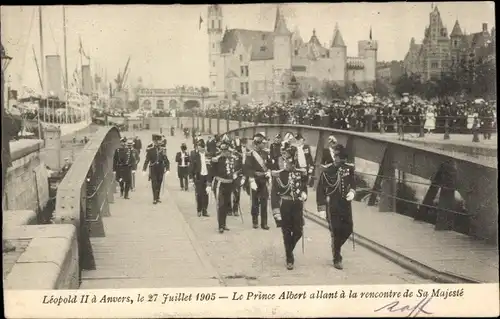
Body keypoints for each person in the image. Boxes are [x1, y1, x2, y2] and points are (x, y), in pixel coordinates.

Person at [316, 144, 356, 270]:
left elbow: (353, 182)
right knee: (336, 230)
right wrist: (321, 208)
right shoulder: (328, 171)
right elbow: (320, 190)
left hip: (345, 203)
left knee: (348, 228)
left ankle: (336, 246)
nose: (340, 160)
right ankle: (337, 257)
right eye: (338, 157)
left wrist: (353, 192)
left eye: (342, 157)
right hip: (332, 204)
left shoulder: (349, 169)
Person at [271, 143, 308, 270]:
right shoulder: (279, 175)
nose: (289, 164)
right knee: (286, 233)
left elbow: (304, 187)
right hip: (285, 206)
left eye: (291, 162)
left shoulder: (301, 173)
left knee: (298, 231)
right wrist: (276, 212)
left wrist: (304, 194)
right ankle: (289, 257)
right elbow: (274, 195)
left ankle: (289, 250)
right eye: (287, 161)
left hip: (297, 205)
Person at [245, 133, 272, 230]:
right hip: (255, 180)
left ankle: (264, 223)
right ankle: (255, 221)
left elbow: (269, 165)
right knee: (255, 202)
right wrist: (251, 179)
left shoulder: (265, 153)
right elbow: (247, 168)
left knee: (264, 201)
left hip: (263, 180)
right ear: (257, 144)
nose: (264, 145)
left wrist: (269, 171)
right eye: (262, 143)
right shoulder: (250, 154)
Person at [211, 140, 237, 233]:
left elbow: (235, 171)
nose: (226, 153)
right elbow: (212, 171)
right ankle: (220, 226)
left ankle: (224, 224)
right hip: (220, 184)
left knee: (226, 205)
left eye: (227, 151)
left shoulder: (233, 159)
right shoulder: (217, 159)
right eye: (224, 151)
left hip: (229, 184)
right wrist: (209, 184)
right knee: (221, 204)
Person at [142, 134, 170, 204]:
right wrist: (144, 169)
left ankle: (157, 197)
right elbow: (147, 160)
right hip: (153, 168)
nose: (157, 142)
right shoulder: (150, 150)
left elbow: (166, 160)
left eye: (158, 141)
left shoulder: (162, 150)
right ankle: (154, 198)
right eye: (155, 141)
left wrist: (168, 169)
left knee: (159, 183)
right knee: (154, 183)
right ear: (153, 141)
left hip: (160, 168)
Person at [189, 139, 211, 217]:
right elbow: (191, 167)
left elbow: (211, 168)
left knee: (206, 194)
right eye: (198, 146)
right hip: (198, 177)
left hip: (206, 176)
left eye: (201, 146)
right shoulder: (195, 156)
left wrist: (210, 179)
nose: (199, 148)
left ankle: (205, 210)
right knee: (199, 194)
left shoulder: (208, 155)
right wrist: (191, 179)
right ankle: (199, 209)